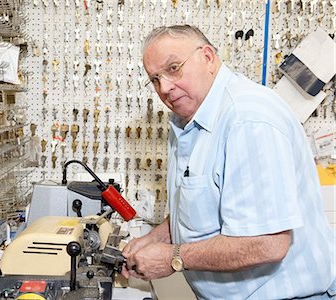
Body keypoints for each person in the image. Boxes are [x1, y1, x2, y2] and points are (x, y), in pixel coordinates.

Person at [122, 24, 336, 299]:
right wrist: (158, 237)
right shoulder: (189, 121)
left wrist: (172, 257)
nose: (164, 87)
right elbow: (205, 203)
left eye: (173, 68)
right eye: (155, 79)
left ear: (208, 58)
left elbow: (267, 243)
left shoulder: (247, 120)